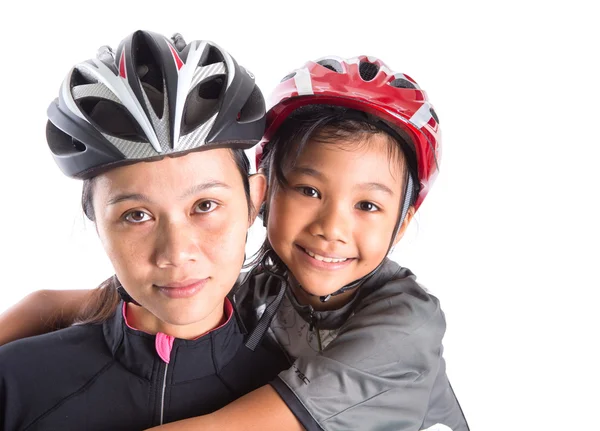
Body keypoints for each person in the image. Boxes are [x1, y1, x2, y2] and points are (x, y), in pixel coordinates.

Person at [1, 54, 469, 431]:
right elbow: (79, 303)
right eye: (309, 191)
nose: (332, 227)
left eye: (367, 206)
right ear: (266, 196)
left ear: (403, 223)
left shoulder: (406, 327)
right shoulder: (259, 294)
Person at [0, 30, 290, 430]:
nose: (175, 252)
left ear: (254, 200)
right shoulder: (15, 381)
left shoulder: (304, 394)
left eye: (205, 206)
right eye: (136, 215)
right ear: (96, 221)